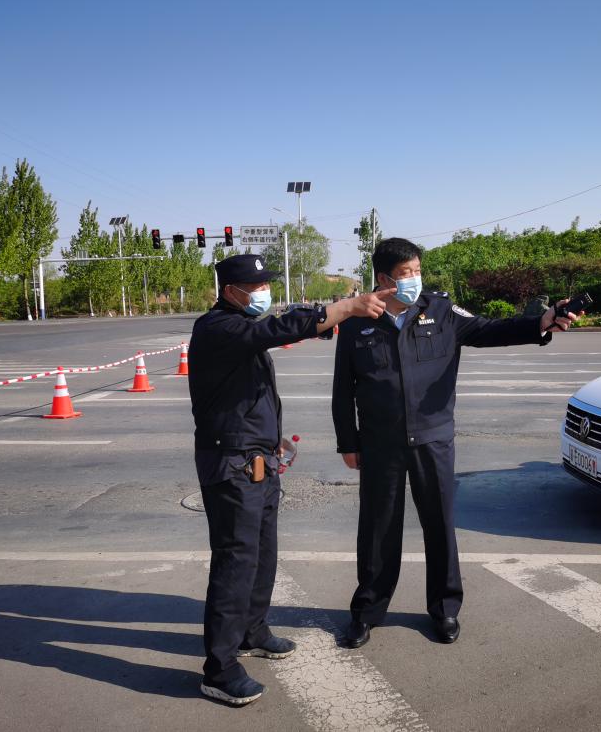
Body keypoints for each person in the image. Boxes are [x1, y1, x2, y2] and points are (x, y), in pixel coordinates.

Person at [331, 237, 578, 649]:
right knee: (377, 530)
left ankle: (445, 609)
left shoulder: (441, 310)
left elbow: (489, 330)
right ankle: (367, 611)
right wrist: (348, 443)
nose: (414, 280)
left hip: (433, 439)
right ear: (383, 279)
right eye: (406, 273)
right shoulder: (358, 321)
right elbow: (344, 389)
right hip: (380, 444)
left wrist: (542, 321)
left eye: (417, 271)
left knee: (440, 526)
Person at [188, 254, 395, 706]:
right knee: (235, 562)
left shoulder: (241, 327)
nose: (264, 292)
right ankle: (218, 669)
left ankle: (252, 630)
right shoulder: (218, 327)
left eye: (265, 283)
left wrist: (272, 439)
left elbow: (243, 395)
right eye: (256, 285)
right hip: (232, 466)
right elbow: (278, 329)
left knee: (263, 553)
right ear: (231, 291)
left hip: (257, 459)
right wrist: (344, 308)